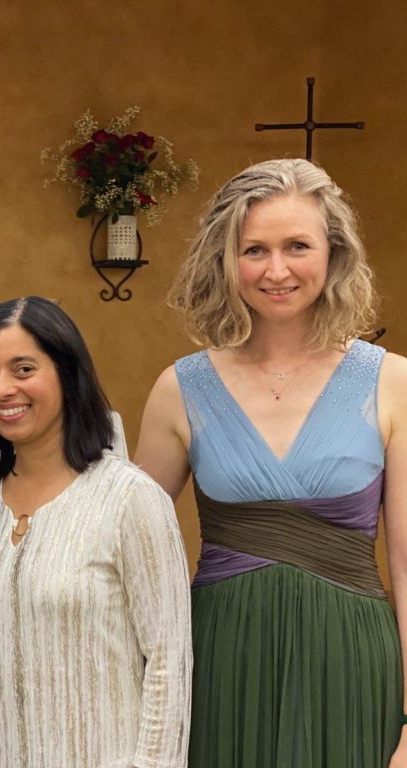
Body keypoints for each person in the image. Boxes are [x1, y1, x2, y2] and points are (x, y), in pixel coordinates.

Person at [134, 158, 407, 767]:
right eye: (253, 249)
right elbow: (123, 550)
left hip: (352, 661)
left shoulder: (392, 383)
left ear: (334, 254)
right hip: (220, 659)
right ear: (225, 261)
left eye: (297, 246)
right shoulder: (180, 389)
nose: (276, 269)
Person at [0, 296, 192, 767]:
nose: (2, 388)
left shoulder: (129, 498)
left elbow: (168, 664)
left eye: (23, 369)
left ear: (68, 376)